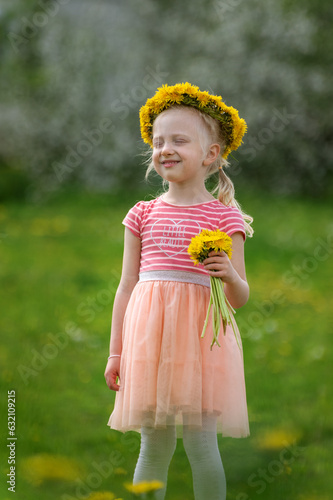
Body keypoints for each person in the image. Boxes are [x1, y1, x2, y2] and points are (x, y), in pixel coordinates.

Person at [104, 82, 254, 500]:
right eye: (158, 141)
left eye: (179, 141)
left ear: (211, 154)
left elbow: (240, 298)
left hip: (201, 351)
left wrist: (227, 274)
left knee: (202, 446)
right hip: (150, 347)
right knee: (153, 445)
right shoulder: (142, 214)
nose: (165, 148)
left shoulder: (225, 219)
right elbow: (127, 287)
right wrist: (116, 352)